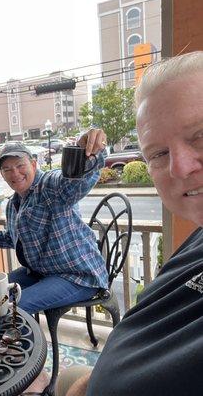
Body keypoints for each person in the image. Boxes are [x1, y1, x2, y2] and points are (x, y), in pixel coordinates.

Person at [59, 51, 203, 396]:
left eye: (199, 134)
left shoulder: (48, 191)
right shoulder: (198, 238)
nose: (180, 168)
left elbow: (73, 185)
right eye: (158, 153)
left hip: (72, 275)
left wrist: (90, 155)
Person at [0, 128, 109, 314]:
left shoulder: (49, 186)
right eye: (7, 169)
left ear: (34, 164)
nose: (14, 173)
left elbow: (73, 181)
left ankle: (21, 343)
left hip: (77, 275)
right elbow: (11, 238)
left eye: (20, 165)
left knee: (14, 309)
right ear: (2, 174)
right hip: (40, 273)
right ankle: (6, 339)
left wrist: (88, 151)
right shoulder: (13, 203)